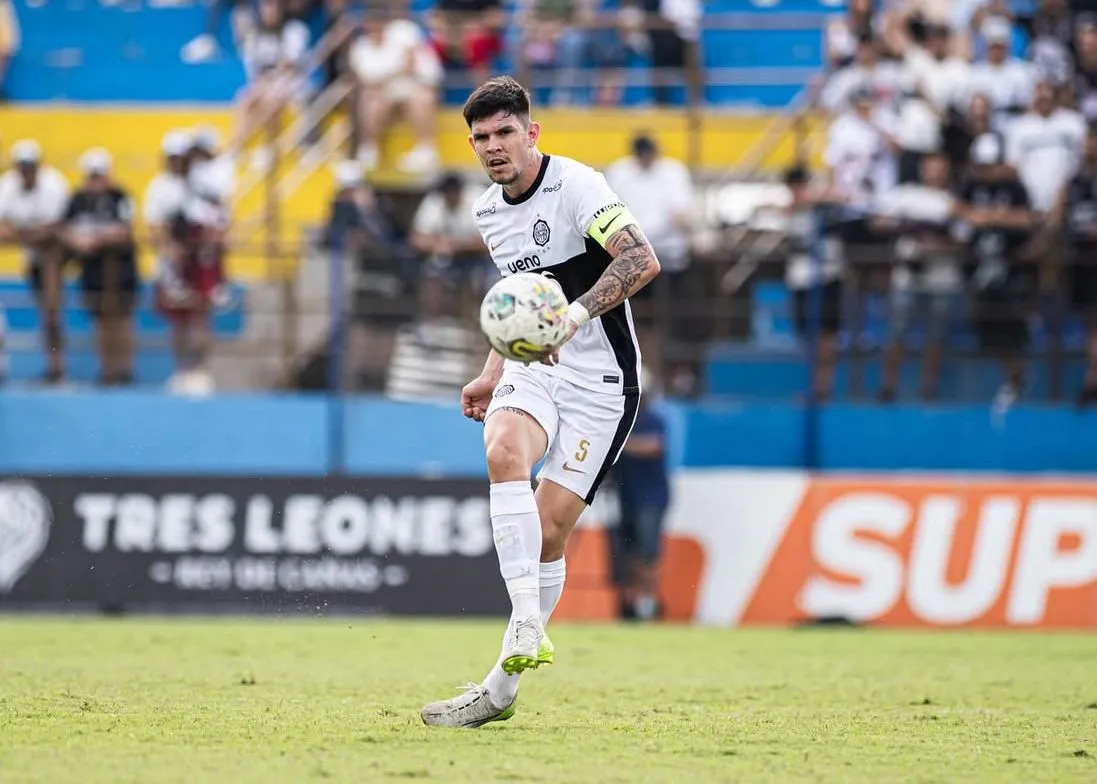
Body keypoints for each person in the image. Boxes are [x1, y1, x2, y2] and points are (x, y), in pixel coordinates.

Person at [420, 76, 661, 728]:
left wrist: (573, 318)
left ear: (531, 133)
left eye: (504, 133)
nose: (493, 148)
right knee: (501, 449)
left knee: (549, 529)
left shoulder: (577, 185)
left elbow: (640, 261)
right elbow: (521, 296)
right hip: (534, 366)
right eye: (480, 139)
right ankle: (527, 622)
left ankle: (498, 690)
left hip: (600, 384)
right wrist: (490, 368)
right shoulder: (487, 213)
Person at [61, 148, 138, 385]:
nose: (96, 181)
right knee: (99, 318)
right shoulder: (77, 200)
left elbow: (126, 231)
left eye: (100, 175)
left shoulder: (120, 197)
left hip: (120, 265)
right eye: (92, 176)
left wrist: (96, 240)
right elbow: (64, 229)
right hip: (92, 267)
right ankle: (107, 369)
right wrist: (78, 241)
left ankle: (124, 369)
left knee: (122, 317)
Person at [0, 140, 71, 384]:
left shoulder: (53, 183)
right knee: (47, 311)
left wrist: (19, 233)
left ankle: (57, 366)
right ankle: (53, 365)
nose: (26, 172)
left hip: (55, 254)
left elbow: (54, 230)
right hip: (35, 253)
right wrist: (33, 234)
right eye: (23, 166)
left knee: (52, 312)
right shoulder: (8, 185)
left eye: (30, 166)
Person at [609, 375, 669, 621]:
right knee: (630, 553)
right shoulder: (622, 419)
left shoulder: (651, 419)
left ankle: (648, 602)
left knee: (648, 553)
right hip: (628, 496)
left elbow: (655, 446)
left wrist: (621, 444)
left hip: (650, 498)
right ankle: (632, 602)